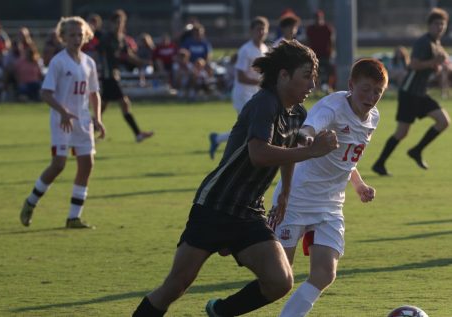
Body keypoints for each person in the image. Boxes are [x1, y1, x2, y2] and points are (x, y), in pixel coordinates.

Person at [131, 40, 339, 317]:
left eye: (314, 78)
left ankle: (220, 312)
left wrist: (286, 193)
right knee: (176, 285)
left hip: (248, 211)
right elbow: (259, 154)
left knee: (280, 281)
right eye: (306, 77)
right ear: (283, 75)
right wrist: (312, 151)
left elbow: (289, 154)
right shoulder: (264, 103)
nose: (312, 86)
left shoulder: (297, 115)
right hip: (215, 205)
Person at [269, 58, 388, 317]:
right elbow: (306, 131)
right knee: (278, 277)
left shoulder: (374, 117)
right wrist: (309, 140)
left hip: (331, 203)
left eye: (378, 92)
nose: (371, 97)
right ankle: (224, 308)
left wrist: (358, 185)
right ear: (351, 85)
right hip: (296, 197)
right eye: (365, 89)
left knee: (324, 274)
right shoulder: (332, 108)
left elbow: (347, 159)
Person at [19, 16, 106, 229]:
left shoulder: (89, 62)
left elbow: (94, 93)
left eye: (80, 35)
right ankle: (31, 202)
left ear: (86, 36)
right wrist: (63, 112)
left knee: (87, 165)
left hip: (83, 120)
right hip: (62, 121)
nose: (77, 39)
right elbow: (46, 93)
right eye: (72, 35)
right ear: (63, 37)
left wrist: (98, 118)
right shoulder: (59, 62)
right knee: (58, 165)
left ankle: (73, 217)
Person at [372, 8, 451, 176]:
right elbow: (413, 64)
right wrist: (433, 62)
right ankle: (379, 164)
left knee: (443, 121)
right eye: (437, 24)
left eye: (442, 25)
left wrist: (435, 67)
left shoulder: (436, 44)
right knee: (402, 132)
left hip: (420, 93)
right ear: (429, 25)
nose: (440, 27)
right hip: (409, 92)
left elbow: (430, 67)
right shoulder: (423, 42)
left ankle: (416, 150)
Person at [208, 16, 269, 159]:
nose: (260, 32)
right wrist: (261, 83)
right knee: (251, 126)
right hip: (242, 93)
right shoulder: (245, 50)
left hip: (255, 93)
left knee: (247, 128)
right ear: (251, 31)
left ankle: (217, 139)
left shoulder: (265, 49)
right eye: (258, 29)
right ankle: (240, 155)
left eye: (263, 29)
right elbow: (241, 77)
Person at [98, 9, 153, 143]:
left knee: (102, 107)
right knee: (124, 103)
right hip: (108, 75)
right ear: (111, 23)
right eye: (116, 22)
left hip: (114, 75)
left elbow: (128, 55)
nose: (118, 25)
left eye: (121, 22)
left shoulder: (121, 38)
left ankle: (87, 131)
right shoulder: (107, 38)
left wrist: (142, 62)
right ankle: (138, 134)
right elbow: (99, 54)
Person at [306, 10, 335, 94]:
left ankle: (329, 87)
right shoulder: (310, 29)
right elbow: (308, 41)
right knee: (314, 72)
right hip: (314, 55)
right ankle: (316, 88)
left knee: (330, 71)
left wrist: (332, 52)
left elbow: (331, 41)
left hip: (326, 55)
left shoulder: (327, 28)